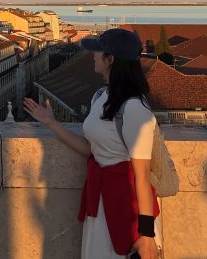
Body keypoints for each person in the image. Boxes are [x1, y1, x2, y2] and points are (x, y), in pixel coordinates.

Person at [24, 28, 160, 259]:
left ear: (110, 59)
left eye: (97, 51)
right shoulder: (101, 97)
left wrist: (146, 235)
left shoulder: (135, 108)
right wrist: (51, 123)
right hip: (101, 200)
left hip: (128, 207)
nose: (93, 56)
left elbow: (142, 175)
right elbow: (93, 151)